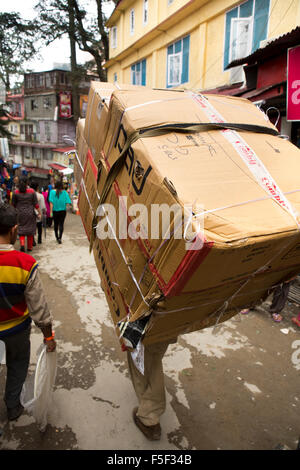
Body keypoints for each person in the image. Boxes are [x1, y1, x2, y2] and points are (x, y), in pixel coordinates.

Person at [0, 203, 56, 421]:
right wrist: (48, 336)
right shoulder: (25, 263)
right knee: (17, 366)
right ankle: (13, 406)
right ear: (14, 229)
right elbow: (38, 307)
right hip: (17, 332)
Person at [127, 338, 176, 441]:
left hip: (146, 327)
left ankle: (149, 418)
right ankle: (150, 411)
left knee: (139, 359)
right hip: (168, 328)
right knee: (155, 355)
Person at [12, 176, 40, 253]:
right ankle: (30, 247)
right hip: (30, 213)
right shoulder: (32, 191)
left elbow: (13, 204)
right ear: (27, 182)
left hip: (19, 213)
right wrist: (39, 213)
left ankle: (22, 244)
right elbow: (36, 204)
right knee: (30, 230)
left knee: (21, 229)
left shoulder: (16, 192)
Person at [49, 180, 71, 244]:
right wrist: (65, 207)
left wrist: (51, 212)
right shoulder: (65, 192)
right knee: (61, 224)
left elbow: (51, 203)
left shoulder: (52, 192)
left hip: (55, 211)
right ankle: (60, 238)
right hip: (63, 211)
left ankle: (57, 237)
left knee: (56, 224)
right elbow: (68, 203)